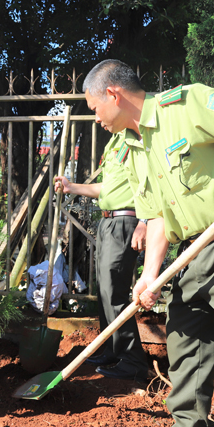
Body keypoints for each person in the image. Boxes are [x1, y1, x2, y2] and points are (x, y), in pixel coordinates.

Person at [81, 59, 214, 427]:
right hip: (190, 252)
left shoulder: (186, 105)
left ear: (113, 95)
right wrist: (149, 276)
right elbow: (155, 218)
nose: (95, 118)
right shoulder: (132, 149)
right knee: (185, 339)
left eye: (94, 107)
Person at [54, 138, 148, 382]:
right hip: (108, 222)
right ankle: (113, 350)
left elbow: (151, 181)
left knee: (115, 293)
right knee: (105, 293)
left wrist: (146, 222)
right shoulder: (114, 143)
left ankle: (133, 361)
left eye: (97, 108)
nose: (97, 118)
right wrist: (70, 186)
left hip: (125, 221)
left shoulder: (135, 138)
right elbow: (106, 188)